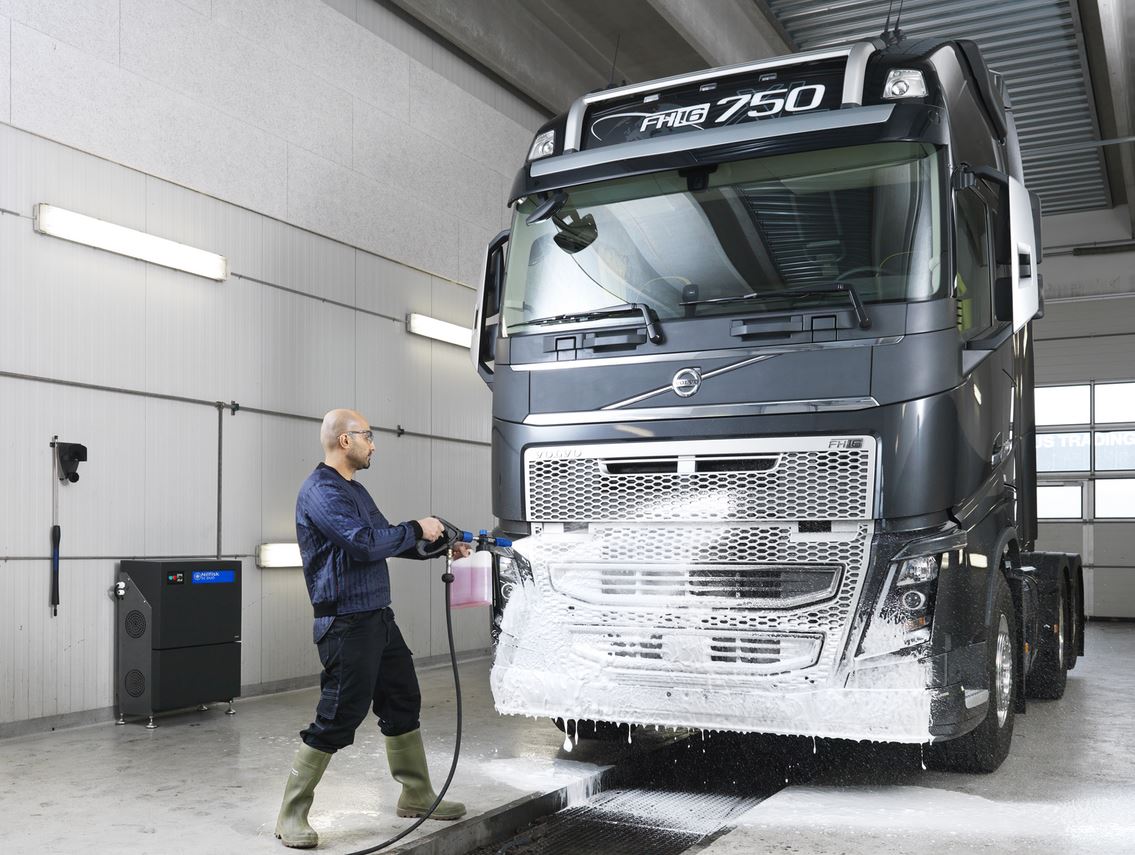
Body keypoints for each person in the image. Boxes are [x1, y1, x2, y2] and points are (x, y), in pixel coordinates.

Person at [275, 408, 469, 849]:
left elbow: (385, 538)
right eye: (368, 436)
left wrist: (440, 544)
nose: (374, 445)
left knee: (402, 700)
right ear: (345, 440)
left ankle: (415, 794)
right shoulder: (321, 491)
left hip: (378, 616)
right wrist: (417, 526)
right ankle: (291, 814)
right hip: (346, 622)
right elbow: (363, 545)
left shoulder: (355, 490)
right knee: (339, 715)